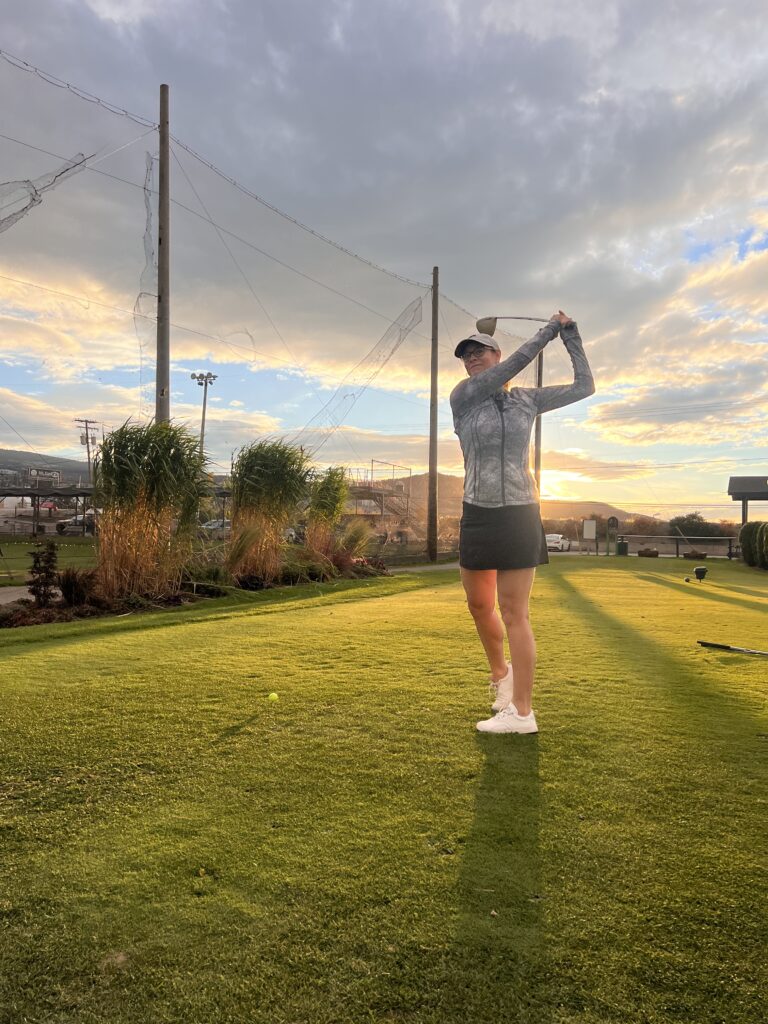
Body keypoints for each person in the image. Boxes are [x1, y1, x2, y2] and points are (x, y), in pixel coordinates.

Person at [450, 311, 594, 734]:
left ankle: (522, 713)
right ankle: (501, 675)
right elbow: (511, 368)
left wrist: (571, 335)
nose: (471, 358)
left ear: (494, 352)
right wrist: (546, 330)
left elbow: (585, 387)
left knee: (515, 612)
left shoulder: (527, 400)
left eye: (479, 351)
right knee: (479, 605)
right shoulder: (464, 395)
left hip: (519, 512)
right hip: (477, 510)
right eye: (466, 355)